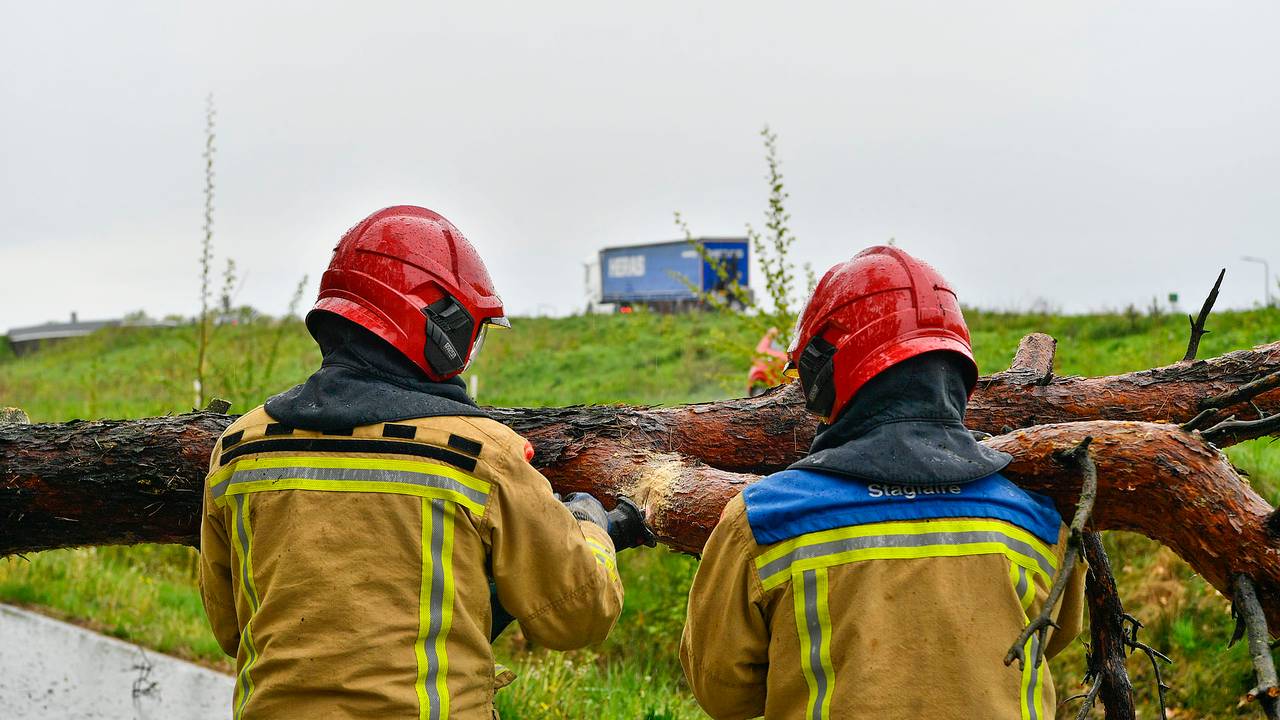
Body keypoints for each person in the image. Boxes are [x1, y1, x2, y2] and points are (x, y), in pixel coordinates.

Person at [199, 205, 649, 719]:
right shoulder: (479, 454)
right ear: (441, 323)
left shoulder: (238, 448)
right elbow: (578, 618)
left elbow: (231, 629)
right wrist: (592, 527)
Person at [680, 246, 1085, 720]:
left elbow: (723, 693)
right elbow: (1051, 635)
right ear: (956, 371)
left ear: (829, 374)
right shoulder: (1039, 517)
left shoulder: (764, 520)